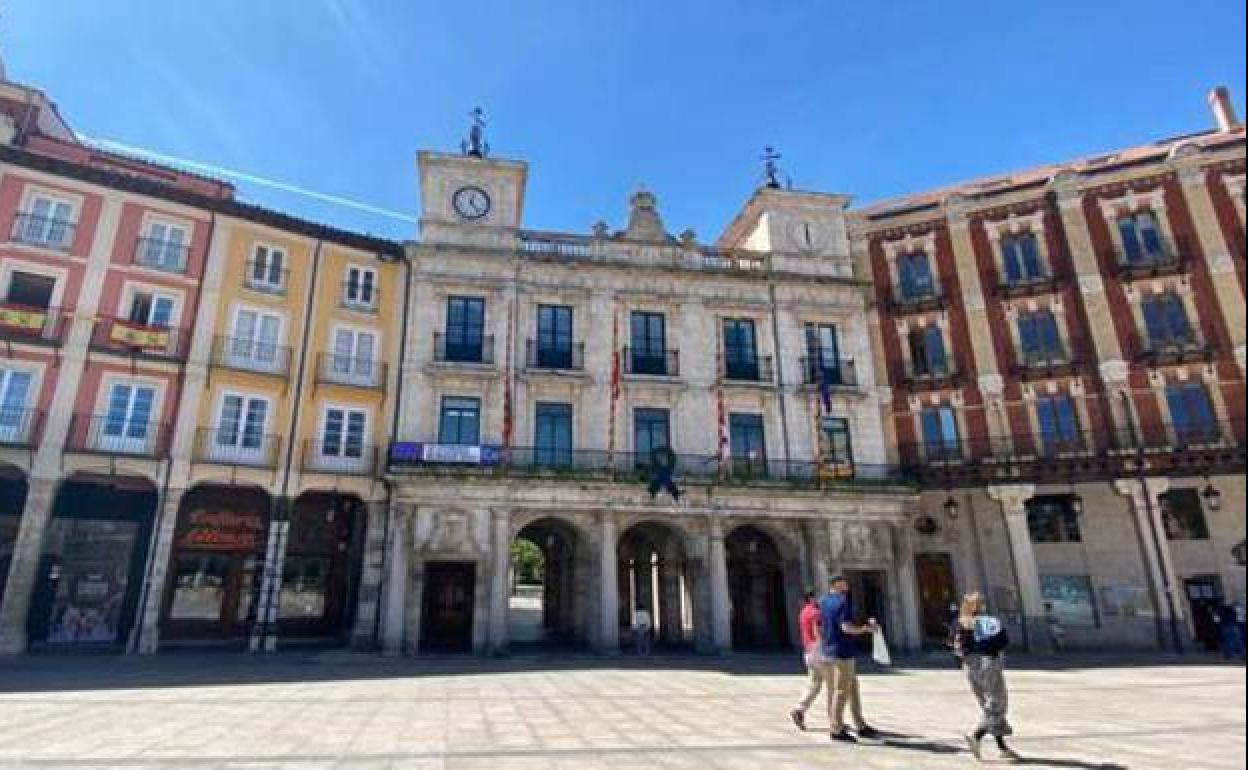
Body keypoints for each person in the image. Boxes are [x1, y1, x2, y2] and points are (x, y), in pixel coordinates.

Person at [953, 592, 1019, 763]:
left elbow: (955, 647)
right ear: (979, 605)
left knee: (987, 704)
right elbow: (1003, 641)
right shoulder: (989, 621)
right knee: (997, 702)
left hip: (968, 665)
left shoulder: (960, 622)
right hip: (987, 662)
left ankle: (1002, 747)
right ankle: (976, 736)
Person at [819, 575, 881, 743]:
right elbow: (846, 628)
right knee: (841, 691)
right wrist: (866, 629)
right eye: (844, 583)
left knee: (852, 688)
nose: (847, 585)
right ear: (837, 584)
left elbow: (822, 625)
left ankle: (860, 725)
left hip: (829, 650)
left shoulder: (823, 601)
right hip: (843, 651)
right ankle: (836, 729)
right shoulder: (842, 602)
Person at [789, 590, 826, 731]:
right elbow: (818, 631)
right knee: (834, 685)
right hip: (819, 649)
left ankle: (799, 709)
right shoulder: (816, 612)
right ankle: (835, 719)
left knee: (814, 684)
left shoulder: (803, 612)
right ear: (811, 598)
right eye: (817, 597)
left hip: (808, 650)